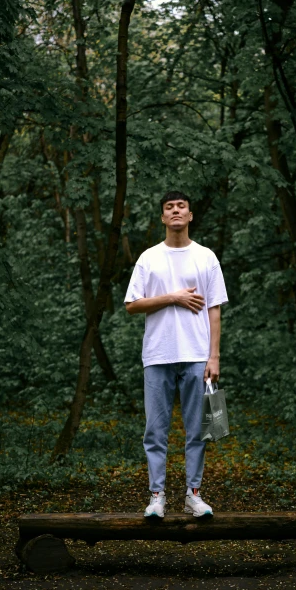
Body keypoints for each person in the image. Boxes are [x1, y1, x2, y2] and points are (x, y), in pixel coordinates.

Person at [124, 190, 228, 518]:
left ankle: (193, 495)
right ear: (163, 217)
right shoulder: (149, 258)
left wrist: (215, 357)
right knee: (155, 430)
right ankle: (157, 497)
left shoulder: (206, 257)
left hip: (197, 355)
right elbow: (131, 305)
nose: (176, 211)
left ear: (191, 214)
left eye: (181, 205)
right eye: (169, 207)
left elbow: (214, 309)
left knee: (197, 429)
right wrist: (173, 297)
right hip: (157, 355)